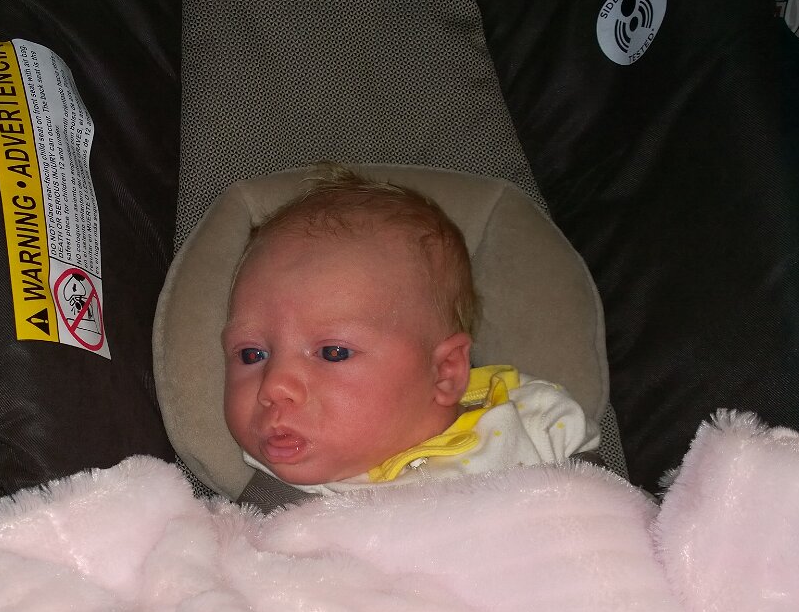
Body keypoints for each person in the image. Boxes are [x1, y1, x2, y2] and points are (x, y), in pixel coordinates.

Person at [222, 163, 598, 495]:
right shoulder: (276, 505)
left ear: (445, 371)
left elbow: (612, 521)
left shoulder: (533, 425)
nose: (274, 387)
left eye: (333, 352)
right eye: (252, 355)